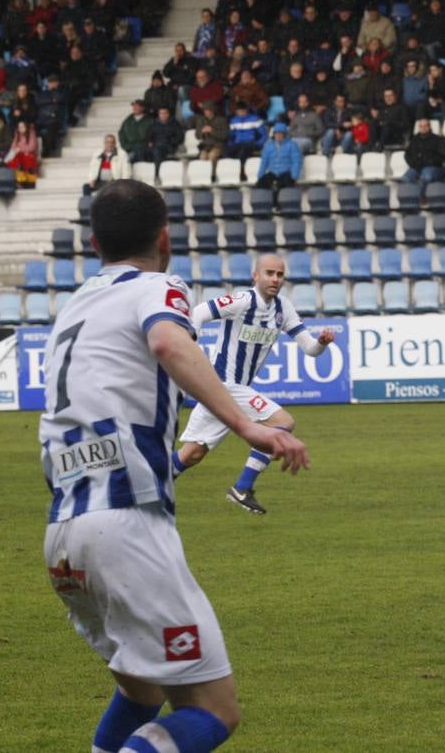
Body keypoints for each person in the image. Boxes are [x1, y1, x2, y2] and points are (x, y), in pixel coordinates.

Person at [40, 180, 309, 752]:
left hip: (63, 530)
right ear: (164, 239)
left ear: (93, 244)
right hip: (125, 522)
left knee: (142, 692)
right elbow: (167, 342)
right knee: (214, 708)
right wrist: (246, 424)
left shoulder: (75, 304)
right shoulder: (161, 286)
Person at [171, 253, 334, 516]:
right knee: (282, 422)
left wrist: (322, 343)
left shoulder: (283, 309)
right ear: (255, 276)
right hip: (225, 384)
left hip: (226, 390)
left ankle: (146, 487)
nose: (275, 279)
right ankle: (242, 487)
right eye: (269, 273)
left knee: (192, 454)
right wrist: (191, 343)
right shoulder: (242, 300)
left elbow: (310, 349)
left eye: (280, 275)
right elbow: (199, 312)